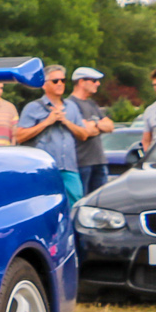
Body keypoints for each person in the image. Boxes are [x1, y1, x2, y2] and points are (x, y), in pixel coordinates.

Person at [14, 63, 89, 208]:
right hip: (44, 168)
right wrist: (47, 122)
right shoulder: (33, 107)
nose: (60, 84)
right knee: (45, 206)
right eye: (55, 81)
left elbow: (84, 134)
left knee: (76, 205)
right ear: (44, 85)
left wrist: (65, 121)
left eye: (63, 80)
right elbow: (20, 136)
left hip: (69, 167)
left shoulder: (71, 107)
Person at [70, 66, 114, 194]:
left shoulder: (91, 104)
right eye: (94, 80)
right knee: (83, 201)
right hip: (82, 163)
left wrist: (94, 124)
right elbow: (86, 131)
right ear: (81, 82)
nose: (98, 84)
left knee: (101, 201)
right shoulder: (71, 104)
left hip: (99, 161)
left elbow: (110, 126)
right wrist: (99, 125)